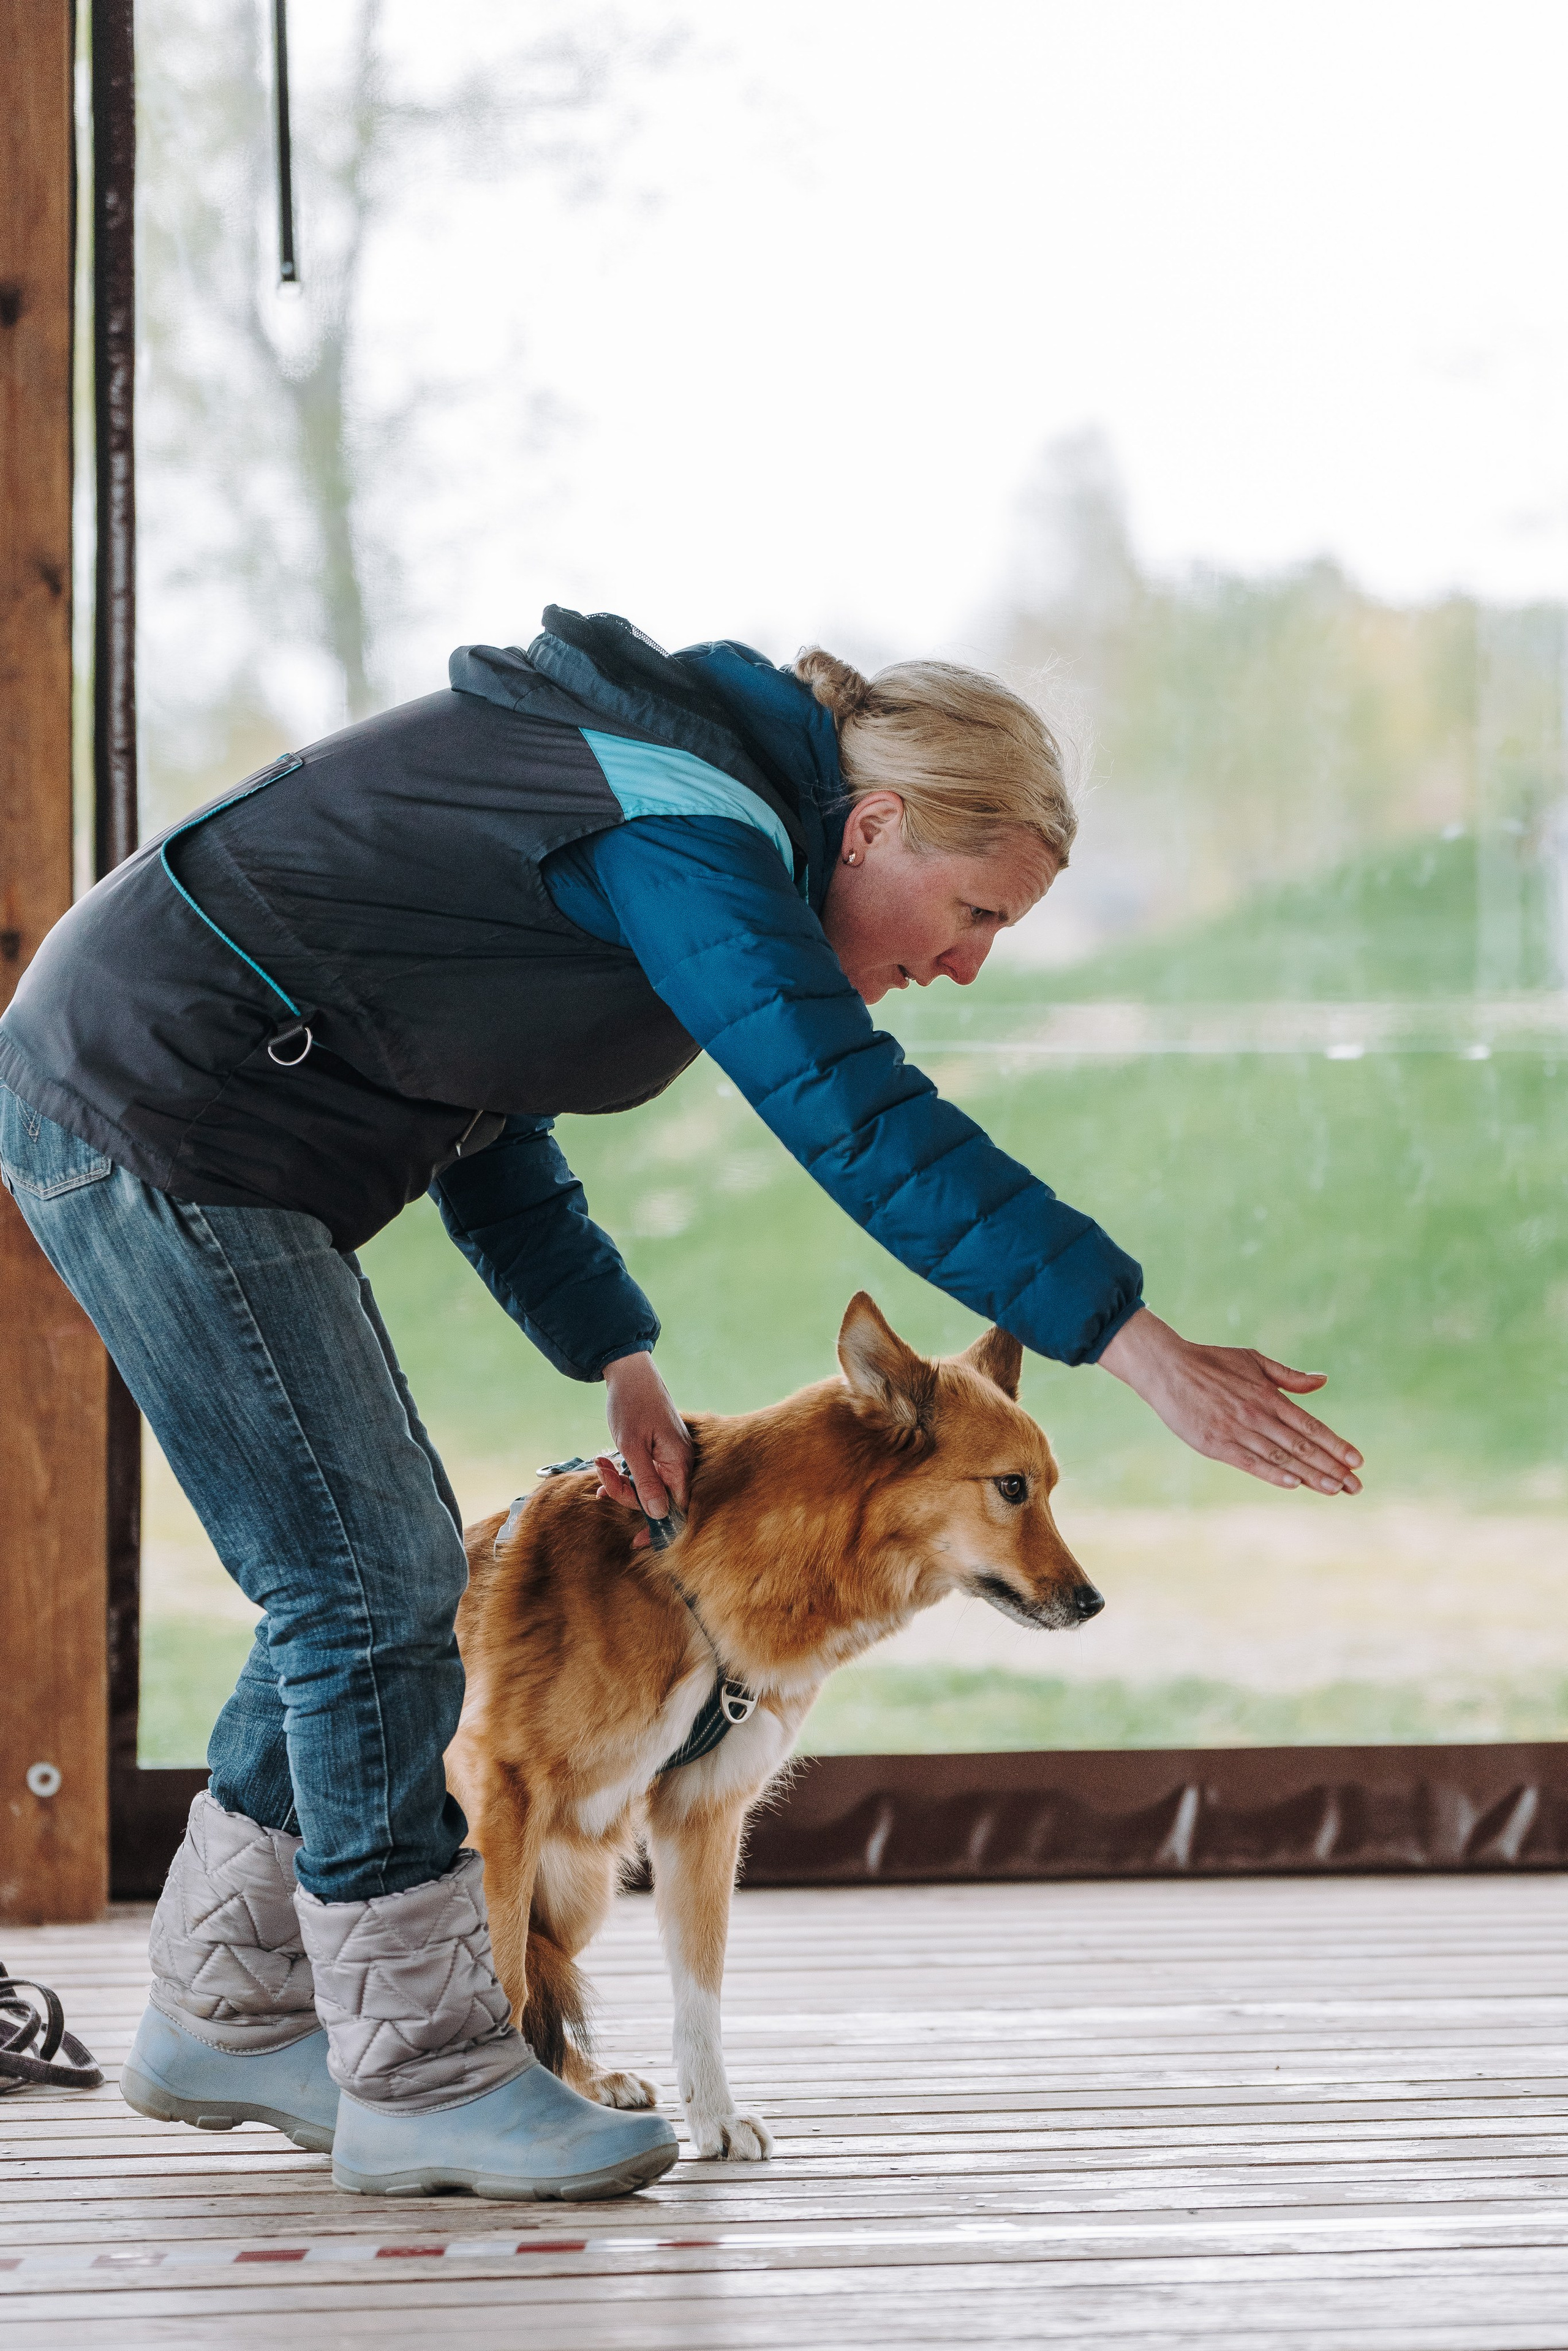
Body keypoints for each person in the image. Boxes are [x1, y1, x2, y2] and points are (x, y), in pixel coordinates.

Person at [0, 607, 1362, 2195]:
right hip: (152, 1097)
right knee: (364, 1578)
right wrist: (1133, 1341)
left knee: (364, 1567)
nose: (968, 962)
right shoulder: (689, 824)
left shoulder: (670, 812)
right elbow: (857, 1120)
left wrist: (617, 1352)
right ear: (873, 827)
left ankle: (229, 2006)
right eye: (972, 909)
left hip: (199, 1118)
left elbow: (484, 1106)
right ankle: (425, 2066)